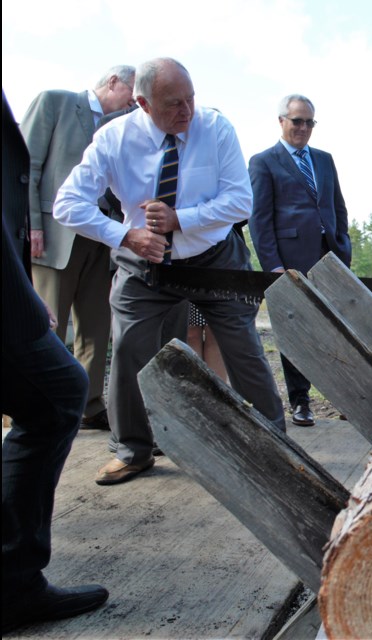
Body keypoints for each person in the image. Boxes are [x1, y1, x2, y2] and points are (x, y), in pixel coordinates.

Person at [53, 57, 285, 486]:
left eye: (191, 98)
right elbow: (68, 204)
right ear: (142, 102)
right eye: (173, 103)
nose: (187, 111)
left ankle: (275, 445)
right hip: (143, 264)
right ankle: (133, 450)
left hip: (215, 259)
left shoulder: (216, 129)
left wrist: (181, 219)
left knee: (244, 347)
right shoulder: (113, 139)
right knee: (127, 350)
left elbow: (240, 203)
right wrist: (126, 236)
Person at [2, 90, 109, 634]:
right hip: (42, 249)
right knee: (55, 389)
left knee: (71, 375)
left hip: (85, 249)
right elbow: (31, 171)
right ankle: (13, 582)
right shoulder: (56, 102)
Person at [19, 65, 137, 431]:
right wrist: (31, 226)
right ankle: (33, 404)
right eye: (132, 92)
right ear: (113, 81)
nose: (135, 101)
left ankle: (86, 404)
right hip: (55, 236)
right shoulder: (55, 103)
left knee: (96, 328)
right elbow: (27, 166)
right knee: (47, 323)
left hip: (102, 242)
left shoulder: (126, 126)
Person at [248, 94, 351, 427]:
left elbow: (337, 208)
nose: (304, 128)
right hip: (289, 261)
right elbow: (259, 220)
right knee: (296, 333)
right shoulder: (263, 162)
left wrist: (342, 249)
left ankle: (345, 399)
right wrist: (273, 266)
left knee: (334, 330)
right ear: (281, 121)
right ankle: (301, 401)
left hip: (329, 259)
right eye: (297, 121)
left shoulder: (324, 159)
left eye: (309, 122)